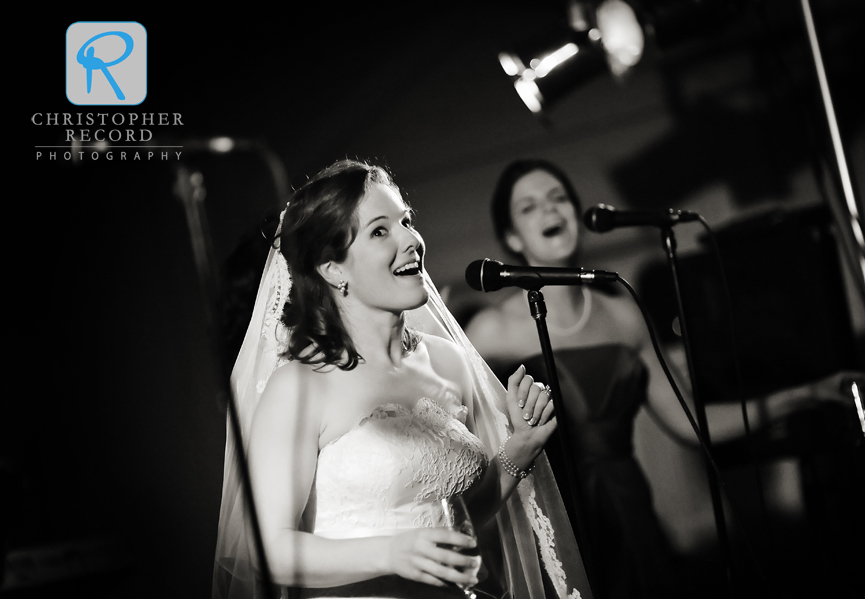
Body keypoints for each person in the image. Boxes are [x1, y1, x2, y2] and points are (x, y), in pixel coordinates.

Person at [464, 158, 865, 598]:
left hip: (633, 516)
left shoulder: (623, 313)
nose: (549, 211)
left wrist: (806, 394)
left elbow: (693, 423)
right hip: (556, 519)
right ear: (510, 237)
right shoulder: (490, 332)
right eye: (529, 207)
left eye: (558, 198)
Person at [212, 159, 593, 599]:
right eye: (380, 230)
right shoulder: (300, 387)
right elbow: (267, 549)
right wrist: (391, 552)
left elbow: (461, 517)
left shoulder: (448, 362)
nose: (411, 240)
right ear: (333, 269)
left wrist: (519, 449)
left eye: (406, 221)